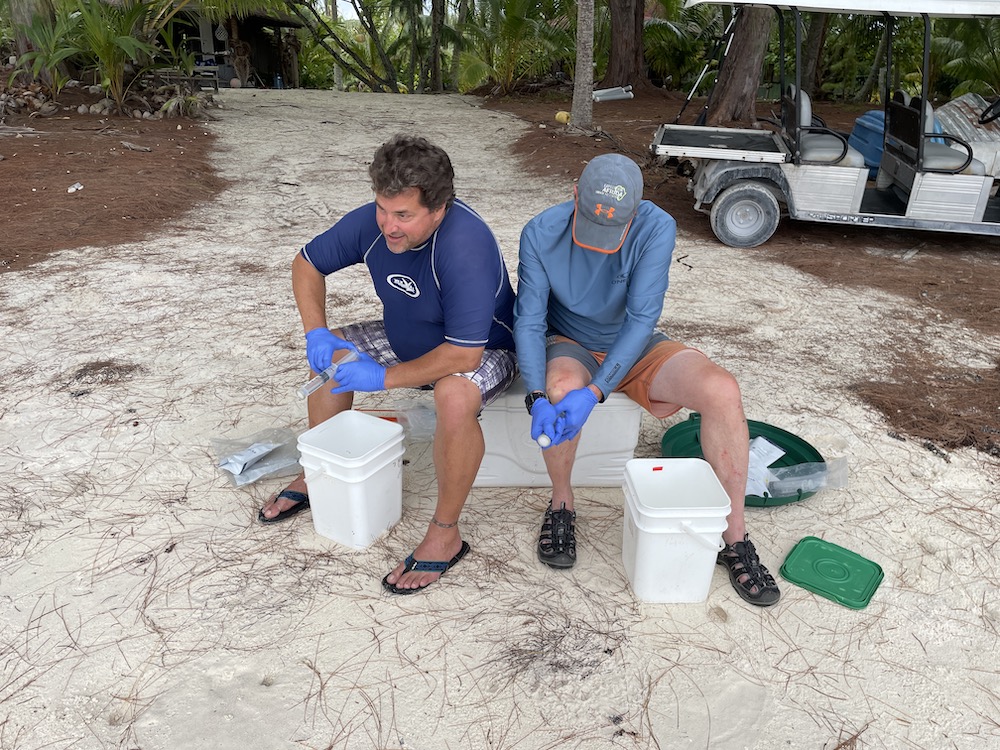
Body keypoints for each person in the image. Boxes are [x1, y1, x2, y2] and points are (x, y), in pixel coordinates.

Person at [513, 153, 780, 607]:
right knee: (561, 392)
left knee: (722, 390)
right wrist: (536, 395)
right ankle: (562, 504)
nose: (599, 244)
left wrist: (598, 390)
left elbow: (641, 319)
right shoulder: (540, 232)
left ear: (637, 209)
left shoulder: (657, 227)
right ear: (575, 193)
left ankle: (733, 537)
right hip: (570, 341)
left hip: (635, 343)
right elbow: (530, 321)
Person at [260, 134, 517, 595]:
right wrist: (316, 331)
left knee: (454, 395)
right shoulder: (374, 223)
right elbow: (306, 264)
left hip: (486, 349)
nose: (388, 226)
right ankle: (319, 473)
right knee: (336, 349)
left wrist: (382, 378)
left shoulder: (465, 246)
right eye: (382, 208)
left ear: (439, 209)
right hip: (407, 337)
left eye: (403, 215)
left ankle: (445, 532)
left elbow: (464, 354)